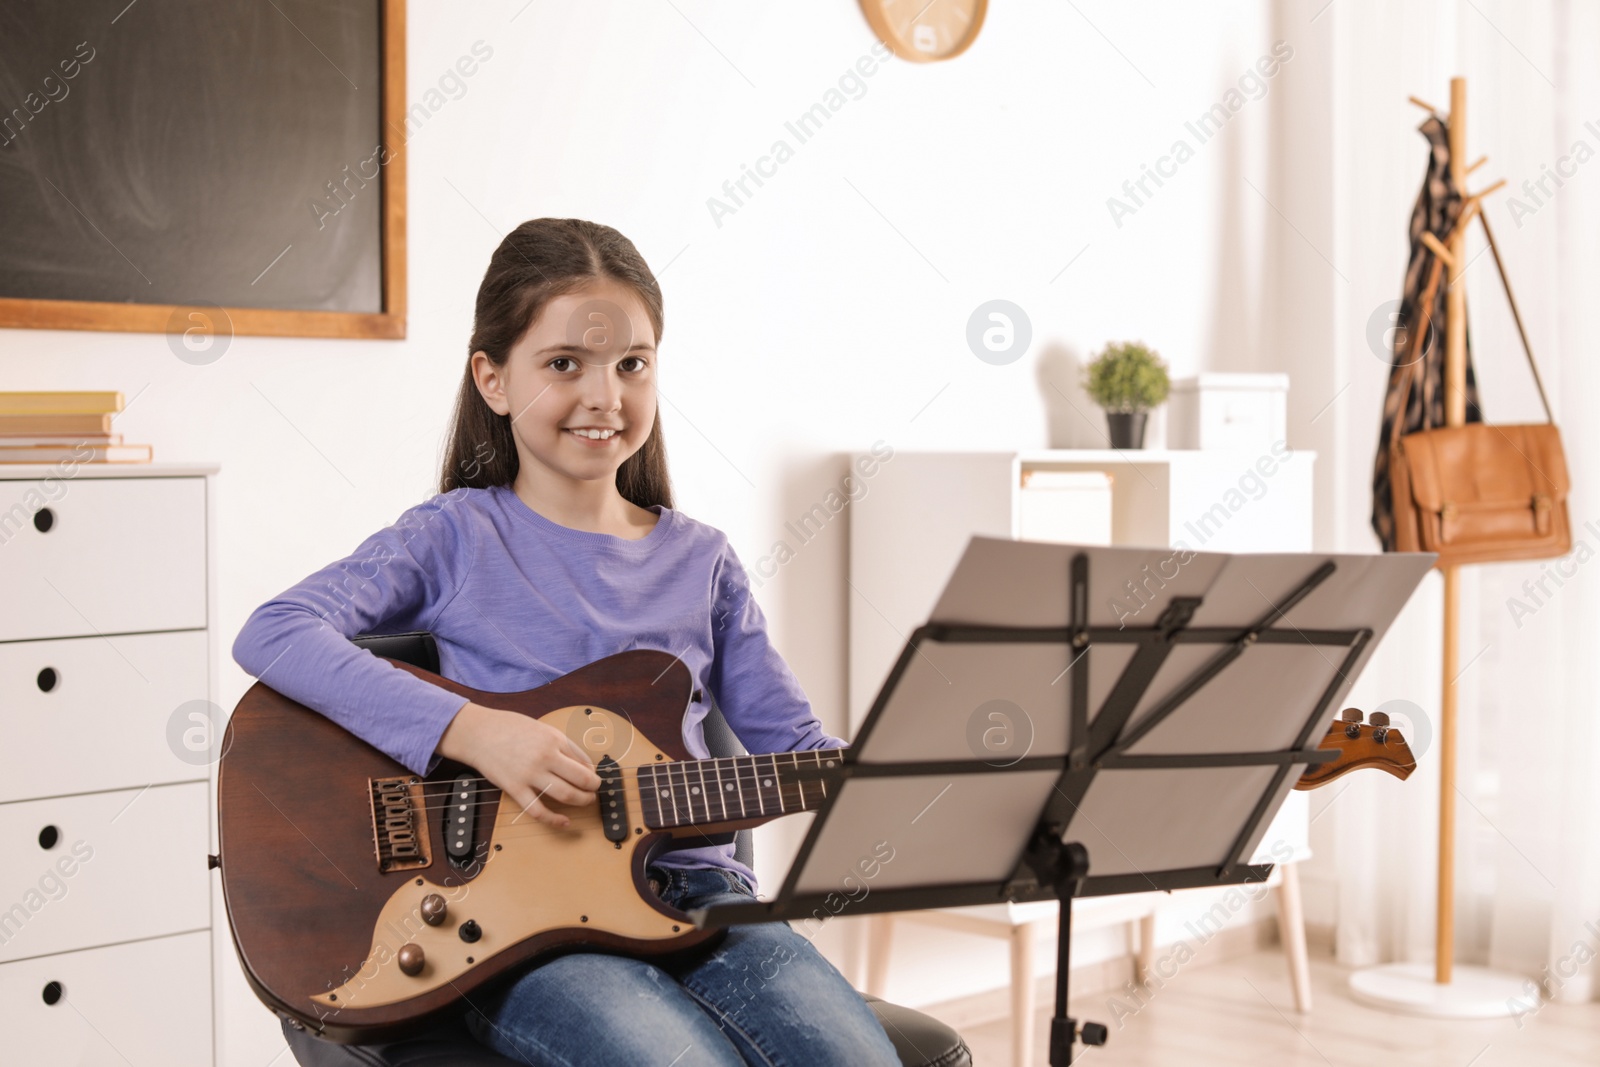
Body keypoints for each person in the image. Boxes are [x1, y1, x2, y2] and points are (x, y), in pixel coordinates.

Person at [231, 218, 901, 1067]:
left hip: (701, 898)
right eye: (563, 364)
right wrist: (473, 730)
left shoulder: (703, 561)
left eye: (633, 364)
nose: (605, 396)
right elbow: (276, 630)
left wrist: (899, 772)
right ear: (494, 378)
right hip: (528, 926)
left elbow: (798, 749)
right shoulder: (457, 535)